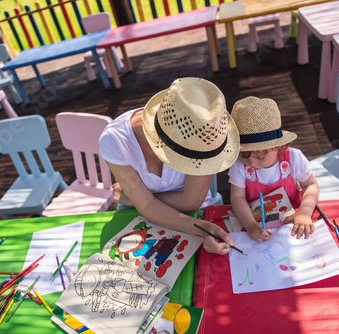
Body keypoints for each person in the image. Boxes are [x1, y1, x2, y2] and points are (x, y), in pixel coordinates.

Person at [99, 77, 240, 255]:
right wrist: (142, 202)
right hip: (142, 220)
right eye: (189, 160)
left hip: (190, 214)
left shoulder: (206, 133)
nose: (194, 164)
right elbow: (148, 206)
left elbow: (191, 202)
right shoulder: (114, 140)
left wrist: (136, 199)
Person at [228, 96, 319, 241]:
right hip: (256, 223)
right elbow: (237, 197)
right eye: (244, 156)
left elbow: (310, 185)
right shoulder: (239, 164)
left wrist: (304, 212)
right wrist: (250, 224)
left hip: (293, 221)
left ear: (278, 146)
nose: (252, 163)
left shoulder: (293, 159)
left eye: (260, 157)